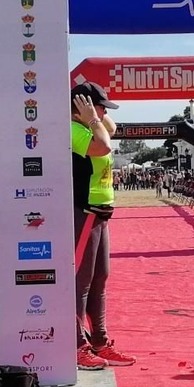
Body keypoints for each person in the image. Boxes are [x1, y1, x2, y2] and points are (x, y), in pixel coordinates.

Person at [71, 82, 135, 368]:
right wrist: (90, 116)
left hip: (101, 214)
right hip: (82, 212)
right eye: (99, 106)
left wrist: (94, 114)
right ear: (82, 107)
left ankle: (99, 339)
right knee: (81, 281)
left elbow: (113, 128)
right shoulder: (72, 130)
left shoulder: (90, 125)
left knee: (100, 278)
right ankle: (76, 344)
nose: (102, 113)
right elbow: (104, 146)